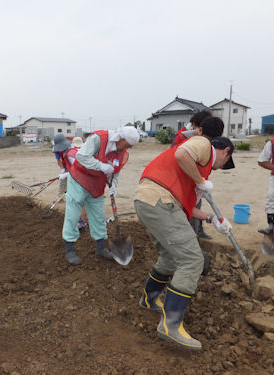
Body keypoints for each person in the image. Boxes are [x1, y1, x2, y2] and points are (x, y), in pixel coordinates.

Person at [134, 132, 235, 350]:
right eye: (225, 162)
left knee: (170, 258)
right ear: (226, 151)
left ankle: (149, 299)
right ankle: (170, 326)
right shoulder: (204, 145)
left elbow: (187, 209)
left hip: (148, 201)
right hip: (160, 200)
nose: (217, 168)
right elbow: (181, 154)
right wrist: (201, 181)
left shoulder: (195, 171)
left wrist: (212, 218)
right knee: (192, 260)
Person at [62, 126, 140, 265]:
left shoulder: (122, 152)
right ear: (120, 138)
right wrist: (100, 166)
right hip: (79, 178)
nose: (126, 148)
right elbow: (81, 156)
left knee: (98, 215)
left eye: (130, 147)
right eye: (126, 145)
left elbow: (116, 170)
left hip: (97, 184)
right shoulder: (98, 139)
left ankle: (101, 248)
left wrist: (114, 184)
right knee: (73, 214)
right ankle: (70, 250)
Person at [172, 111, 214, 239]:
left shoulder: (204, 137)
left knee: (197, 204)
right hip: (184, 180)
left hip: (196, 179)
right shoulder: (182, 136)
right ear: (195, 124)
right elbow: (176, 156)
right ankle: (190, 237)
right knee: (187, 209)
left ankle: (198, 230)